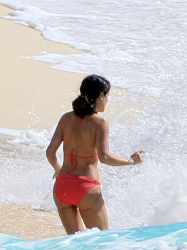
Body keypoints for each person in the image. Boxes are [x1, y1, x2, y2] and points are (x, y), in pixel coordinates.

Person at [46, 74, 144, 234]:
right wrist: (130, 161)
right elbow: (104, 157)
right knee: (101, 241)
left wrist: (58, 170)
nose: (107, 100)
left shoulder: (66, 118)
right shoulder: (100, 123)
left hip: (62, 186)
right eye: (107, 96)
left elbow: (50, 152)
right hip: (86, 187)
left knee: (76, 242)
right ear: (101, 95)